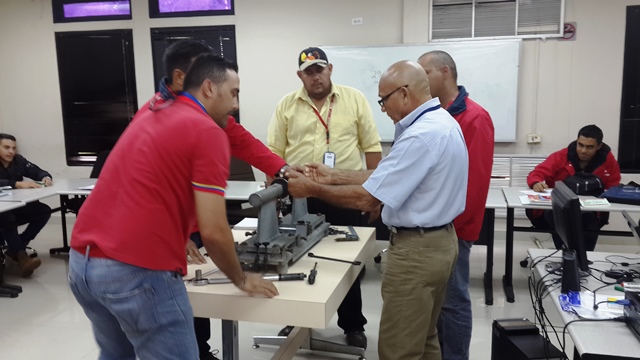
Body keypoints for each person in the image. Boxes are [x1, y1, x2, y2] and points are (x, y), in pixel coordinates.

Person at [67, 53, 279, 360]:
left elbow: (150, 183)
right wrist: (241, 278)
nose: (235, 104)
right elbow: (215, 231)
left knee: (116, 355)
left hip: (83, 266)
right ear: (209, 87)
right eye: (234, 93)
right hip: (136, 273)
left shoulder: (154, 108)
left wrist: (179, 234)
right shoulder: (207, 131)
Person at [286, 60, 469, 360]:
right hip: (439, 242)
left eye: (384, 100)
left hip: (417, 253)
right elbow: (388, 175)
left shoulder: (419, 136)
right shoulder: (441, 123)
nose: (382, 108)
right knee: (425, 339)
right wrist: (333, 176)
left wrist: (312, 189)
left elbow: (368, 199)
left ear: (405, 94)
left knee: (399, 349)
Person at [147, 39, 288, 360]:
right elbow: (154, 186)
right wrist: (176, 235)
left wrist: (284, 170)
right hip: (164, 230)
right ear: (184, 78)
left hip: (192, 221)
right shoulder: (159, 115)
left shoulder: (206, 116)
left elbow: (243, 141)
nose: (232, 99)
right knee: (178, 300)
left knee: (197, 293)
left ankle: (202, 350)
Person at [266, 46, 383, 349]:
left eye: (320, 69)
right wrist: (275, 200)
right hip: (299, 196)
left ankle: (353, 324)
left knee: (347, 262)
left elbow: (371, 149)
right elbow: (273, 154)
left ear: (330, 69)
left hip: (344, 194)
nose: (315, 76)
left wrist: (376, 197)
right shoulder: (286, 105)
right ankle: (296, 320)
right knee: (295, 259)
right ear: (300, 75)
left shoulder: (354, 99)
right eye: (309, 71)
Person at [418, 51, 494, 360]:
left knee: (453, 301)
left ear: (445, 72)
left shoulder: (474, 117)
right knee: (439, 300)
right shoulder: (435, 114)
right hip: (435, 227)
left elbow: (474, 184)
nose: (419, 80)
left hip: (454, 229)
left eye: (425, 73)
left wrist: (451, 228)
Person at [526, 124, 621, 251]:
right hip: (557, 208)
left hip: (590, 209)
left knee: (589, 221)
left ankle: (584, 260)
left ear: (599, 146)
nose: (583, 150)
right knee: (561, 217)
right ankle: (567, 257)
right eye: (580, 145)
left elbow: (613, 187)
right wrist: (536, 182)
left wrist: (603, 196)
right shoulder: (562, 156)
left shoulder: (608, 161)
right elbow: (536, 174)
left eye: (589, 147)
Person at [0, 133, 52, 277]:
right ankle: (22, 258)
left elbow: (36, 170)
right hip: (2, 210)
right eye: (6, 147)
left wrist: (45, 177)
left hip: (15, 205)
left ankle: (17, 246)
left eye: (13, 148)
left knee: (43, 211)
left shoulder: (19, 160)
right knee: (7, 217)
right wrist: (16, 184)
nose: (11, 151)